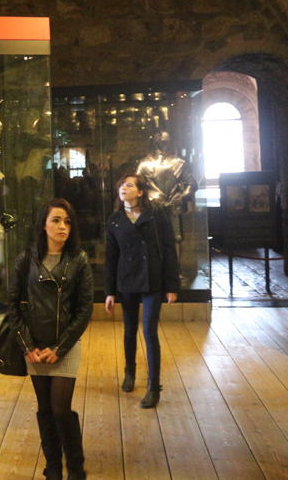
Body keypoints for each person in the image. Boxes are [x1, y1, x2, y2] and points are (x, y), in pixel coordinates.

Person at [7, 199, 93, 480]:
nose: (62, 227)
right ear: (44, 224)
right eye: (56, 220)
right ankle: (53, 466)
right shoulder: (26, 258)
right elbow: (13, 306)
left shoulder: (79, 259)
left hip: (64, 345)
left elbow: (84, 310)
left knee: (60, 409)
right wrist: (27, 346)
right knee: (45, 409)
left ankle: (76, 468)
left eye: (67, 222)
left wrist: (60, 348)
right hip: (34, 345)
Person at [104, 173, 180, 409]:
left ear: (140, 191)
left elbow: (169, 248)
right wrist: (109, 291)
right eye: (121, 185)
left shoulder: (156, 215)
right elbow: (111, 257)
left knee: (149, 331)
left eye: (129, 185)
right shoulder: (115, 220)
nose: (123, 188)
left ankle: (153, 386)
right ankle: (130, 372)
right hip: (127, 280)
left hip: (152, 279)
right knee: (129, 330)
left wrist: (172, 286)